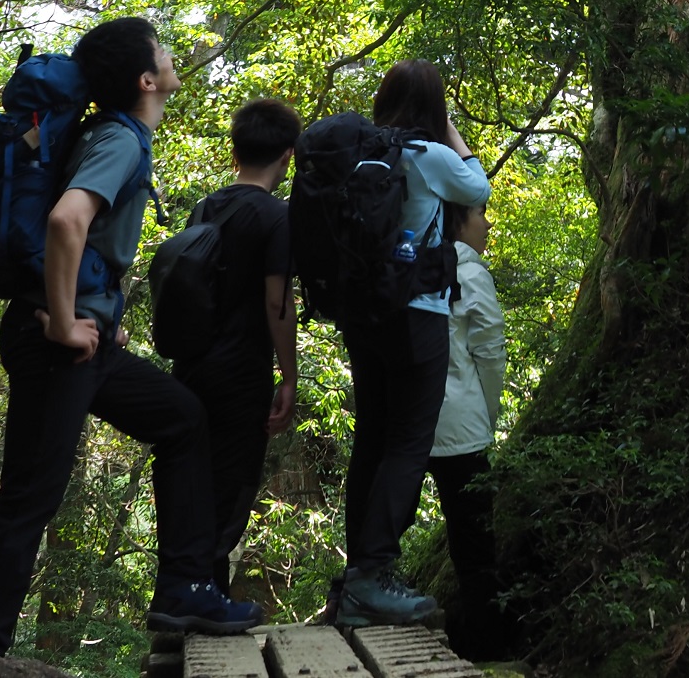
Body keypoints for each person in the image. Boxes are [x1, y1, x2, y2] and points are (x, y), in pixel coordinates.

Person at [0, 18, 262, 651]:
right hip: (54, 342)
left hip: (79, 337)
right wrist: (64, 321)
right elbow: (68, 221)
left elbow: (81, 240)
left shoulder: (110, 135)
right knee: (31, 495)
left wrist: (93, 315)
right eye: (163, 51)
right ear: (147, 80)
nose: (174, 56)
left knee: (181, 418)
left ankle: (183, 591)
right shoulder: (119, 140)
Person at [334, 60, 491, 628]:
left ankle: (359, 575)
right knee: (407, 441)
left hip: (363, 316)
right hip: (417, 313)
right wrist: (450, 130)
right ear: (434, 106)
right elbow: (480, 188)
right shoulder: (430, 156)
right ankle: (372, 577)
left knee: (372, 440)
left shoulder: (359, 152)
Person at [171, 97, 302, 595]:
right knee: (232, 484)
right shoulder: (276, 217)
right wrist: (289, 377)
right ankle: (203, 595)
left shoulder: (205, 206)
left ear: (235, 150)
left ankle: (194, 592)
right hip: (241, 372)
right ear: (288, 155)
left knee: (195, 482)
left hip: (192, 365)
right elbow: (277, 303)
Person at [427, 201, 506, 658]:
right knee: (476, 556)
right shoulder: (470, 273)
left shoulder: (413, 265)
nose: (487, 221)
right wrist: (487, 417)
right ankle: (487, 652)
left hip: (412, 428)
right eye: (480, 212)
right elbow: (490, 354)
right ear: (458, 218)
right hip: (463, 430)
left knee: (386, 536)